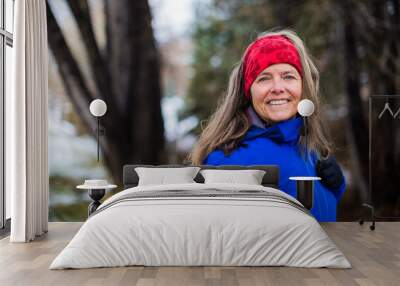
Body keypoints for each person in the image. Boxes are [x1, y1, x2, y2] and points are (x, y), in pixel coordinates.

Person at [188, 29, 345, 222]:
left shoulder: (310, 145)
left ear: (303, 87)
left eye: (288, 76)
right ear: (248, 91)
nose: (278, 88)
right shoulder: (227, 162)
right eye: (264, 78)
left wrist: (337, 187)